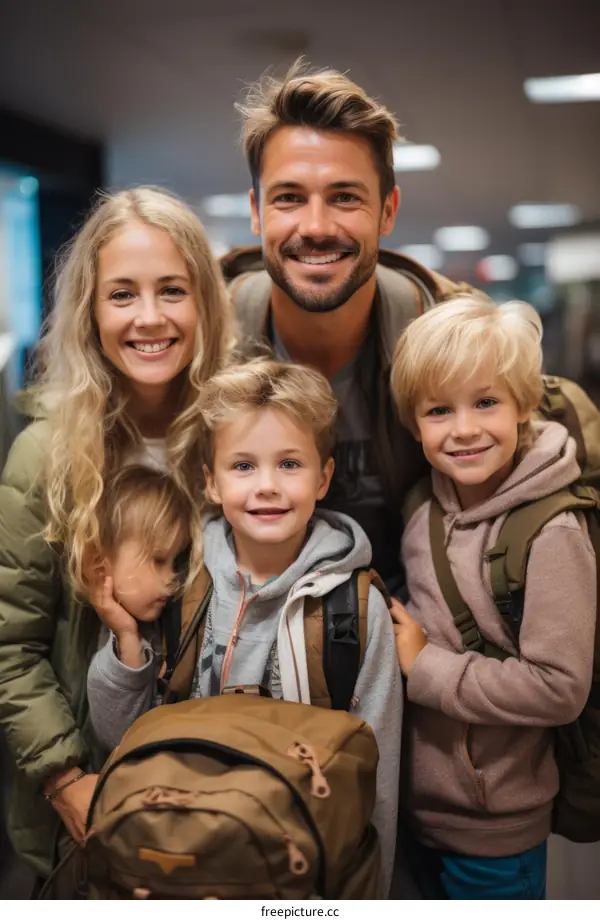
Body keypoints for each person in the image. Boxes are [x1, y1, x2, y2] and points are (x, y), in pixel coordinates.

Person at [87, 358, 403, 897]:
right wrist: (126, 639)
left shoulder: (355, 609)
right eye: (242, 466)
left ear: (324, 477)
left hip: (295, 876)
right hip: (180, 865)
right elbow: (119, 737)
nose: (267, 486)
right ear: (210, 481)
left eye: (289, 464)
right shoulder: (178, 586)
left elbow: (375, 779)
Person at [0, 186, 234, 880]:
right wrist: (63, 776)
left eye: (172, 290)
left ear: (204, 305)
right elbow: (10, 647)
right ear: (90, 312)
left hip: (225, 799)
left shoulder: (240, 437)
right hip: (93, 811)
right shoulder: (45, 457)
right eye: (122, 294)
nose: (150, 317)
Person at [221, 59, 478, 597]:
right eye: (289, 197)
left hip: (425, 657)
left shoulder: (462, 347)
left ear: (387, 211)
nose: (315, 227)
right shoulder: (201, 349)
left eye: (345, 197)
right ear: (256, 212)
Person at [388, 296, 596, 899]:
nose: (464, 429)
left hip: (499, 829)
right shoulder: (423, 509)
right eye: (438, 410)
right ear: (414, 423)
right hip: (417, 813)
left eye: (486, 401)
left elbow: (560, 686)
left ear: (523, 404)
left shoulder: (553, 532)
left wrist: (425, 667)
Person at [83, 465, 194, 670]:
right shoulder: (105, 645)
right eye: (159, 560)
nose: (172, 577)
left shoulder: (165, 624)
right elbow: (125, 703)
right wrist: (126, 635)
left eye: (175, 561)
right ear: (100, 563)